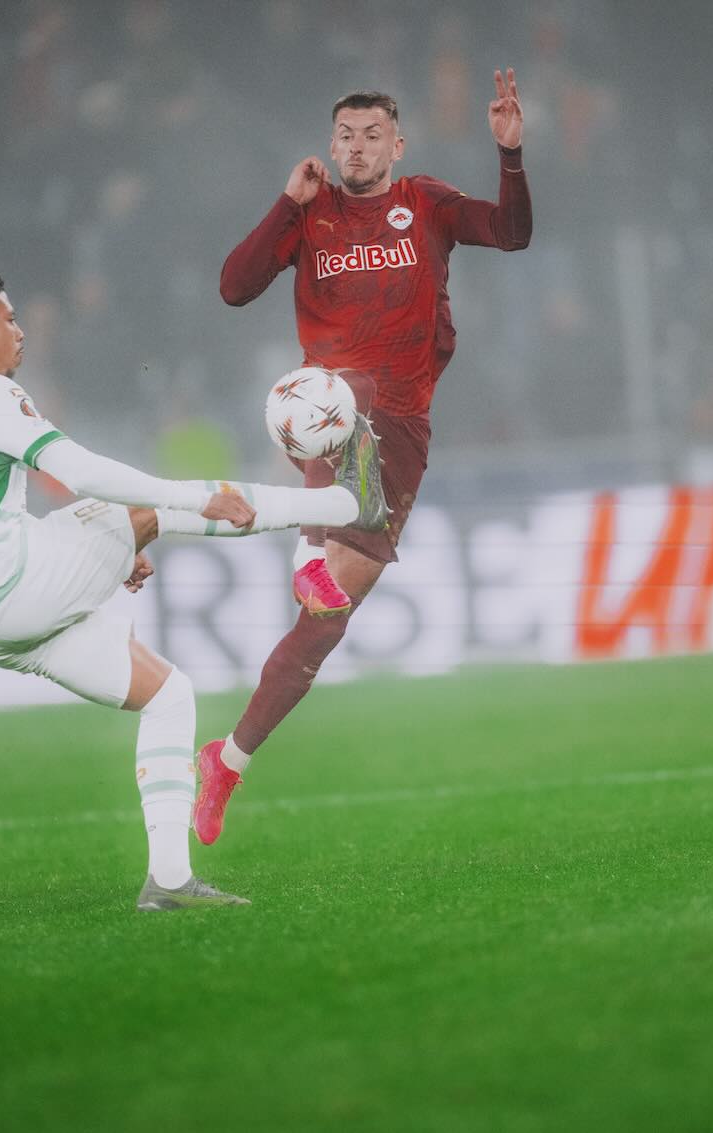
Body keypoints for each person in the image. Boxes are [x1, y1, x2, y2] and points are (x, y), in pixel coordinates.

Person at [0, 267, 386, 911]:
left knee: (167, 695)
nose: (20, 333)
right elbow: (79, 472)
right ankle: (344, 504)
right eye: (9, 320)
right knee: (148, 508)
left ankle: (169, 881)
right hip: (7, 581)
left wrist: (105, 550)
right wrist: (184, 502)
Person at [199, 70, 531, 844]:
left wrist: (510, 156)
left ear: (397, 145)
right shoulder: (310, 214)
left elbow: (512, 233)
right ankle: (307, 547)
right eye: (345, 136)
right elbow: (233, 288)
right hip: (326, 409)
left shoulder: (429, 203)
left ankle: (228, 760)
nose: (356, 148)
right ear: (331, 144)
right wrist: (286, 202)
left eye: (371, 135)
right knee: (342, 390)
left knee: (325, 622)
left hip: (405, 431)